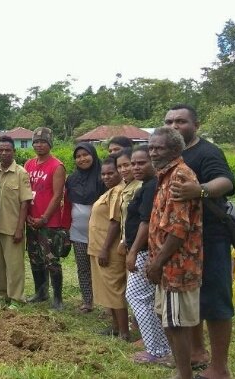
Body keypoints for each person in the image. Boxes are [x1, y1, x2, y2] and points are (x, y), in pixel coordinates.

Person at [164, 104, 235, 378]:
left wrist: (200, 190)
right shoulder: (170, 156)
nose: (174, 126)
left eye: (180, 121)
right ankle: (196, 352)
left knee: (215, 302)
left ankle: (219, 368)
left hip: (210, 237)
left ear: (196, 125)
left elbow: (225, 181)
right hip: (180, 239)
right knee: (189, 297)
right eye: (169, 122)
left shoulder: (207, 152)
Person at [147, 127, 203, 379]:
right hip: (165, 263)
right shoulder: (164, 175)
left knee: (176, 324)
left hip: (175, 265)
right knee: (168, 318)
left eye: (159, 148)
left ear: (174, 150)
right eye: (151, 147)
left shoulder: (180, 176)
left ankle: (185, 374)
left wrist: (158, 263)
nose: (153, 152)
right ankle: (182, 371)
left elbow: (179, 229)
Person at [124, 146, 171, 364]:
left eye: (141, 163)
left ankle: (157, 349)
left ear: (154, 163)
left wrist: (133, 251)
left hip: (144, 251)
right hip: (141, 249)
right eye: (133, 163)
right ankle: (160, 345)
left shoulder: (152, 186)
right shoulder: (147, 185)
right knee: (148, 300)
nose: (136, 167)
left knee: (136, 297)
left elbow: (146, 222)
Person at [24, 127, 68, 310]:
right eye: (36, 142)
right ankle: (41, 292)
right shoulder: (28, 164)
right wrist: (27, 215)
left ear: (50, 144)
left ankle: (57, 298)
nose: (39, 145)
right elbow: (25, 192)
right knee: (35, 257)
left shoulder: (57, 166)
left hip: (49, 222)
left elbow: (58, 195)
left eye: (43, 142)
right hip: (31, 220)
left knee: (51, 259)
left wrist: (44, 217)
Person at [88, 157, 129, 339]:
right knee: (107, 290)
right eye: (103, 174)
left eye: (110, 173)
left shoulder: (118, 192)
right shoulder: (110, 191)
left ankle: (124, 332)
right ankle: (114, 327)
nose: (106, 177)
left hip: (109, 249)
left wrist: (105, 249)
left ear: (119, 172)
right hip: (98, 247)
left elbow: (114, 223)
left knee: (115, 290)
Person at [65, 142, 105, 313]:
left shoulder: (104, 176)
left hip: (101, 232)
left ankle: (108, 305)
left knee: (103, 268)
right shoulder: (72, 179)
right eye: (78, 156)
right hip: (78, 231)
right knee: (83, 267)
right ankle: (87, 301)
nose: (82, 159)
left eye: (85, 155)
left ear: (93, 155)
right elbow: (67, 204)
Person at [0, 136, 32, 308]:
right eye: (1, 149)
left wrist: (19, 229)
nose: (4, 153)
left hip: (12, 228)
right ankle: (3, 295)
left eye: (7, 150)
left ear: (14, 151)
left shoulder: (21, 173)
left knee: (15, 266)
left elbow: (25, 203)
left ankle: (17, 298)